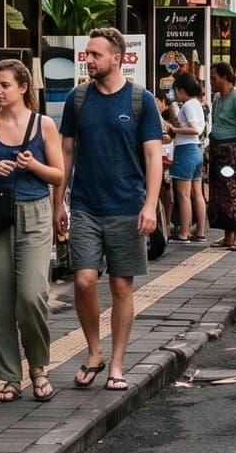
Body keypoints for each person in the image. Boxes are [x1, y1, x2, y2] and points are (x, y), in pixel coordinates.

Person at [56, 27, 164, 393]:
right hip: (85, 205)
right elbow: (66, 152)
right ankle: (94, 351)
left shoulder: (140, 100)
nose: (88, 60)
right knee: (84, 280)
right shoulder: (78, 99)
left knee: (120, 285)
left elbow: (153, 156)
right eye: (87, 54)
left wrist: (150, 204)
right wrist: (60, 199)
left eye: (95, 55)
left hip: (127, 206)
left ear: (117, 59)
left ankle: (117, 363)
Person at [0, 59, 63, 403]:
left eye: (4, 85)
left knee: (32, 294)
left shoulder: (44, 124)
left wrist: (33, 165)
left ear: (23, 87)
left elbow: (58, 174)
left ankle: (39, 366)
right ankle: (9, 376)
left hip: (35, 212)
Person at [207, 64, 236, 250]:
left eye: (214, 78)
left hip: (232, 148)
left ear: (225, 77)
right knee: (218, 193)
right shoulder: (217, 98)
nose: (212, 82)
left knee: (232, 190)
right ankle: (227, 235)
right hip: (217, 146)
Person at [169, 72, 208, 243]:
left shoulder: (188, 105)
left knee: (183, 195)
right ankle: (199, 231)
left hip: (186, 150)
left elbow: (195, 129)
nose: (175, 94)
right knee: (197, 193)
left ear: (182, 89)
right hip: (196, 151)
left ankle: (183, 233)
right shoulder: (197, 104)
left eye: (176, 90)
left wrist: (174, 130)